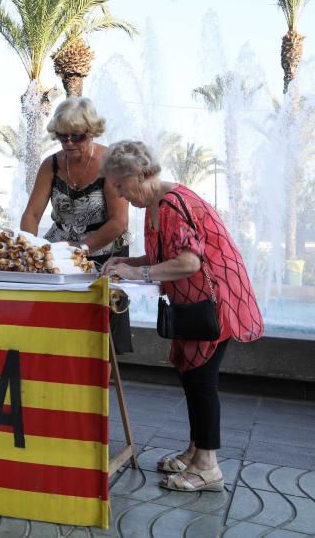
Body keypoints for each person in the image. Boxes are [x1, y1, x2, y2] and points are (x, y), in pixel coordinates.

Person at [100, 140, 263, 493]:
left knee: (202, 382)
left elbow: (190, 262)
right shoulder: (157, 204)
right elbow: (163, 254)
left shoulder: (174, 204)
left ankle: (208, 467)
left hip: (216, 304)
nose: (120, 194)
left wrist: (139, 275)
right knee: (193, 378)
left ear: (140, 174)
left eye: (120, 186)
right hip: (196, 305)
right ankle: (195, 452)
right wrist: (127, 263)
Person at [21, 98, 130, 263]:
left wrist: (81, 248)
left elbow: (119, 222)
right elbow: (32, 214)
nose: (69, 142)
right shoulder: (51, 165)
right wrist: (28, 246)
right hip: (59, 253)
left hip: (105, 255)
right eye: (62, 136)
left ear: (91, 132)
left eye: (77, 137)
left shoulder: (111, 163)